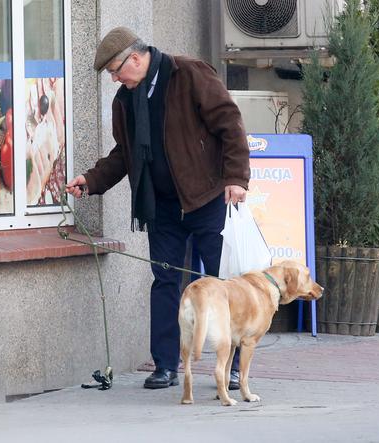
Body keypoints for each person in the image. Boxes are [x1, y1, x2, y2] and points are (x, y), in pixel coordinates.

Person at [66, 26, 250, 390]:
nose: (115, 79)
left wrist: (236, 178)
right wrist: (91, 181)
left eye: (116, 71)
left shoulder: (189, 74)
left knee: (220, 284)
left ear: (136, 58)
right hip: (162, 207)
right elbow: (125, 154)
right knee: (166, 282)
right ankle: (165, 365)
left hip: (207, 197)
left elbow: (230, 122)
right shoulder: (125, 100)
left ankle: (231, 365)